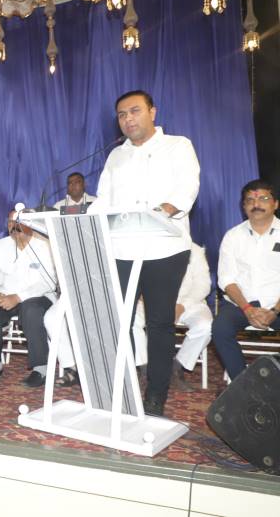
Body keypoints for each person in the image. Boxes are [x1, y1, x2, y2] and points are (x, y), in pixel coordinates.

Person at [89, 89, 200, 416]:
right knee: (116, 320)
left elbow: (187, 187)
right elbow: (103, 199)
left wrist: (166, 208)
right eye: (122, 115)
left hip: (165, 248)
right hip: (122, 249)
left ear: (152, 112)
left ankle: (155, 395)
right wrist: (81, 216)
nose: (128, 119)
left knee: (159, 323)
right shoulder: (116, 156)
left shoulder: (178, 146)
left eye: (134, 111)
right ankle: (117, 388)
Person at [0, 209, 58, 387]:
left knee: (31, 310)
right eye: (10, 222)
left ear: (31, 223)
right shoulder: (2, 245)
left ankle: (41, 369)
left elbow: (49, 282)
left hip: (38, 297)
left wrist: (18, 297)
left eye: (18, 221)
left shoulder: (44, 245)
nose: (13, 226)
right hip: (7, 296)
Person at [212, 180, 280, 380]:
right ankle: (244, 385)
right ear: (243, 207)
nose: (256, 204)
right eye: (249, 200)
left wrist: (275, 311)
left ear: (275, 204)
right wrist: (247, 309)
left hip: (277, 304)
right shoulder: (232, 236)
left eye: (263, 198)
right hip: (241, 304)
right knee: (220, 329)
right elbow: (226, 279)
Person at [132, 242, 212, 391]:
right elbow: (135, 280)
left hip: (188, 303)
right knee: (130, 321)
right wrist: (148, 299)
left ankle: (177, 366)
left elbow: (203, 285)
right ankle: (144, 368)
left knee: (206, 326)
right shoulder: (146, 247)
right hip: (150, 302)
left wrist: (182, 306)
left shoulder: (194, 251)